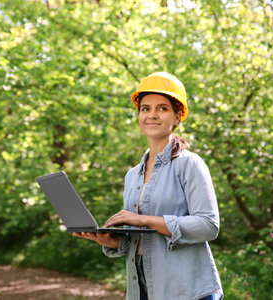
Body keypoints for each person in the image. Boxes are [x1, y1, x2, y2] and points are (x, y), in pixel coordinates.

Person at [73, 72, 223, 300]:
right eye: (145, 108)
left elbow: (208, 226)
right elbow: (138, 241)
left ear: (178, 115)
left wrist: (143, 220)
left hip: (187, 291)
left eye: (162, 108)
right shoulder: (132, 175)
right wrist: (111, 241)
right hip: (142, 288)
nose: (152, 115)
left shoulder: (189, 164)